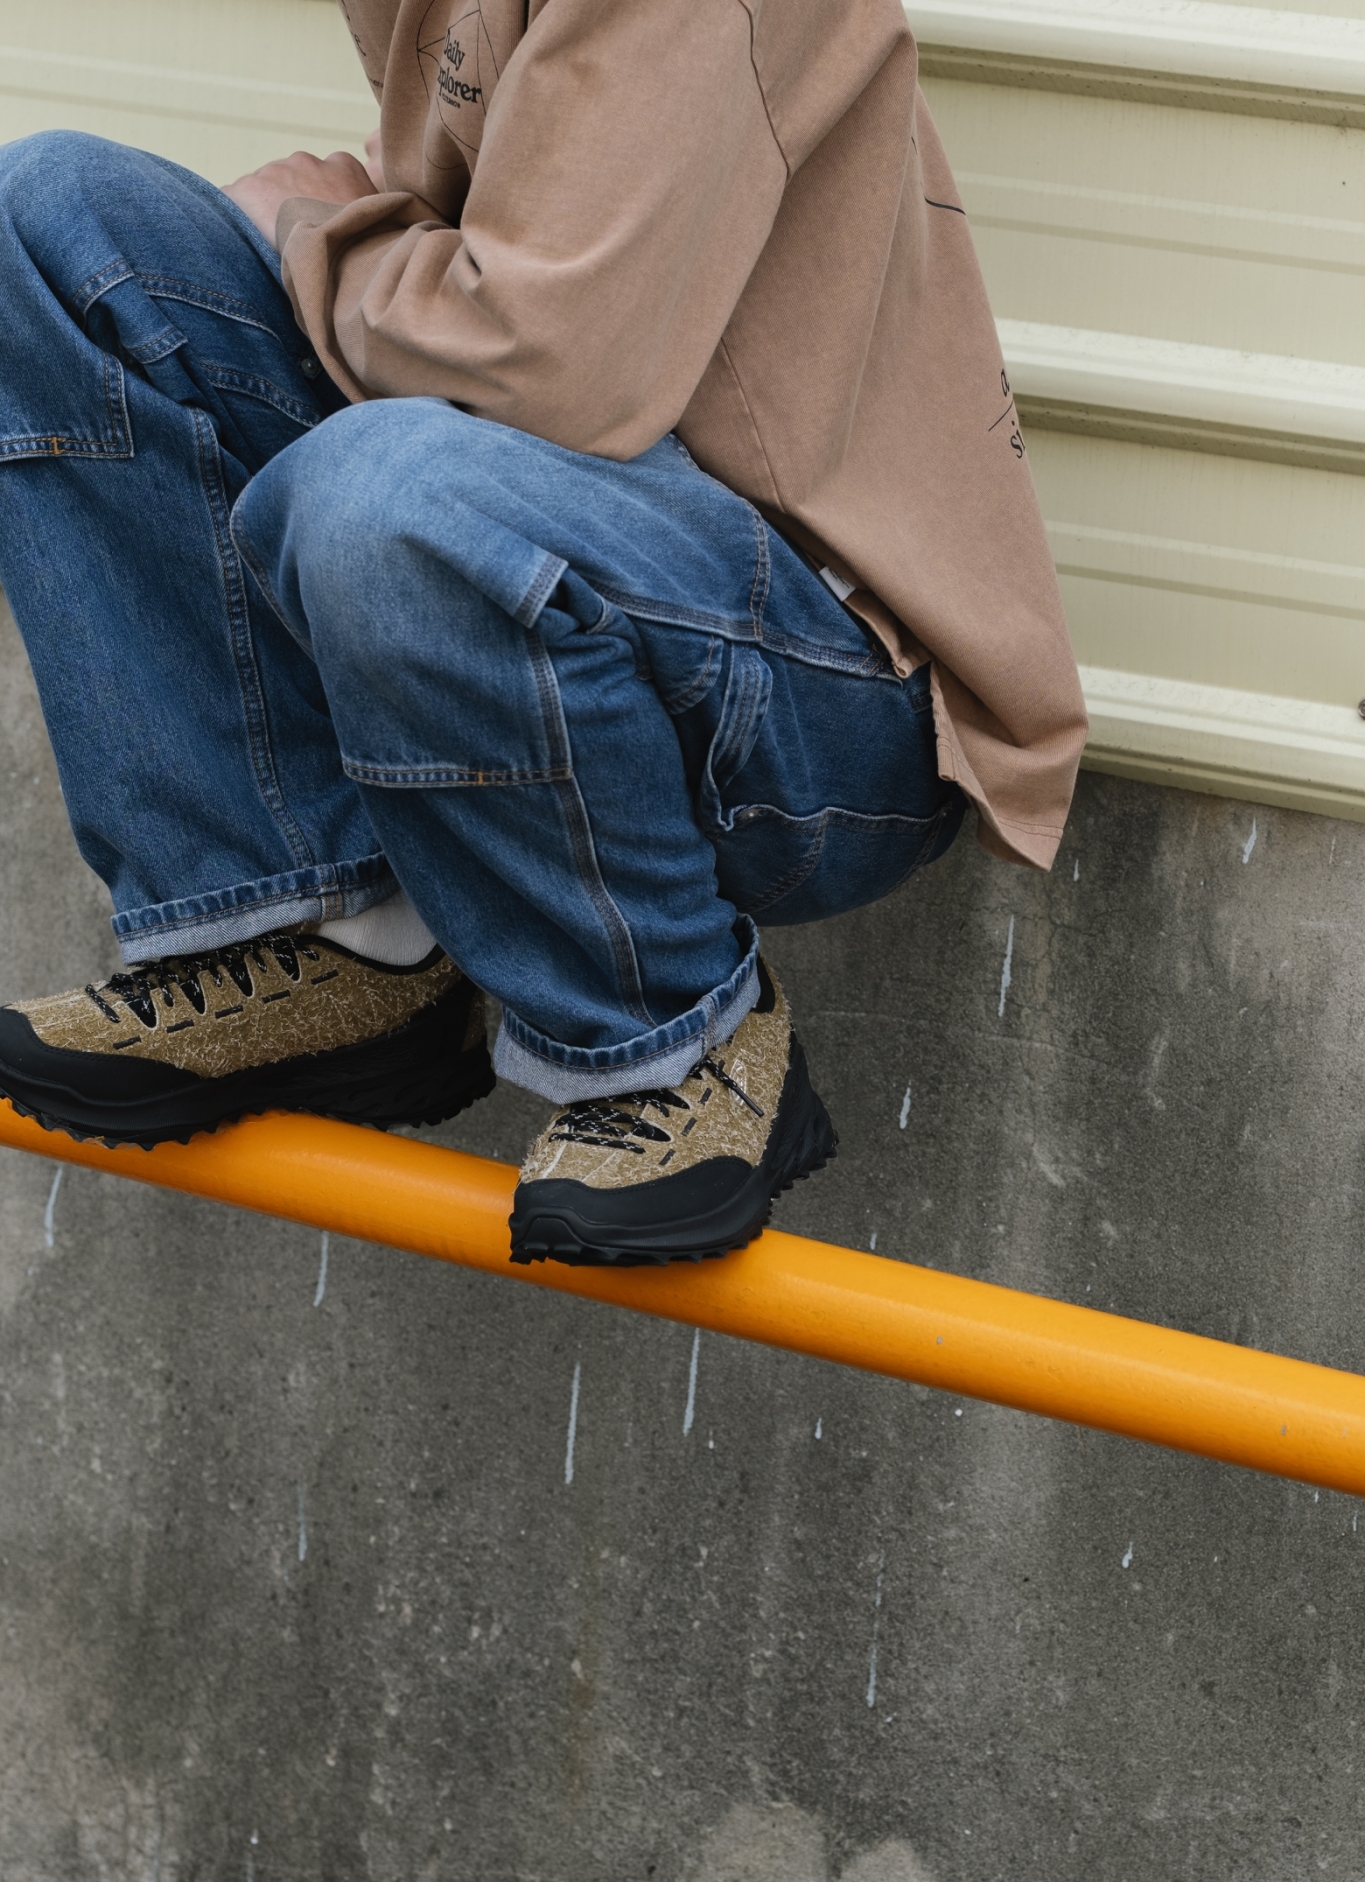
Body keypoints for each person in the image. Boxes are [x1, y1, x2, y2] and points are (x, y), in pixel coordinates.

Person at [0, 0, 1086, 1268]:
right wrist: (348, 227)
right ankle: (318, 929)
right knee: (49, 219)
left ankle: (676, 1034)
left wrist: (317, 229)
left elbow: (538, 361)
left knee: (382, 492)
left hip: (831, 691)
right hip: (618, 542)